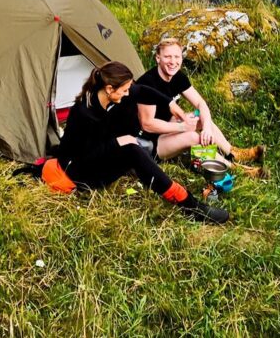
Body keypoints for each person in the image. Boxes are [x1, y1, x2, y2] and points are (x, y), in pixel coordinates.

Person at [51, 61, 229, 224]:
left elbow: (142, 91)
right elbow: (86, 158)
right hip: (81, 172)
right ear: (109, 89)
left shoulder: (107, 95)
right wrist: (118, 142)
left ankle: (146, 162)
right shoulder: (84, 114)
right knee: (132, 150)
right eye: (124, 89)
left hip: (101, 150)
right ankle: (188, 204)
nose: (128, 92)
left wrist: (170, 105)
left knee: (130, 114)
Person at [135, 38, 265, 175]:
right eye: (167, 57)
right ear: (158, 58)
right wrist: (182, 127)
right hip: (148, 143)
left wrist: (207, 128)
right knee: (193, 137)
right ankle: (234, 169)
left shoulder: (177, 77)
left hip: (166, 127)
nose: (173, 62)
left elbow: (200, 103)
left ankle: (232, 152)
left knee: (200, 117)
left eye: (176, 57)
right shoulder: (148, 83)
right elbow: (147, 124)